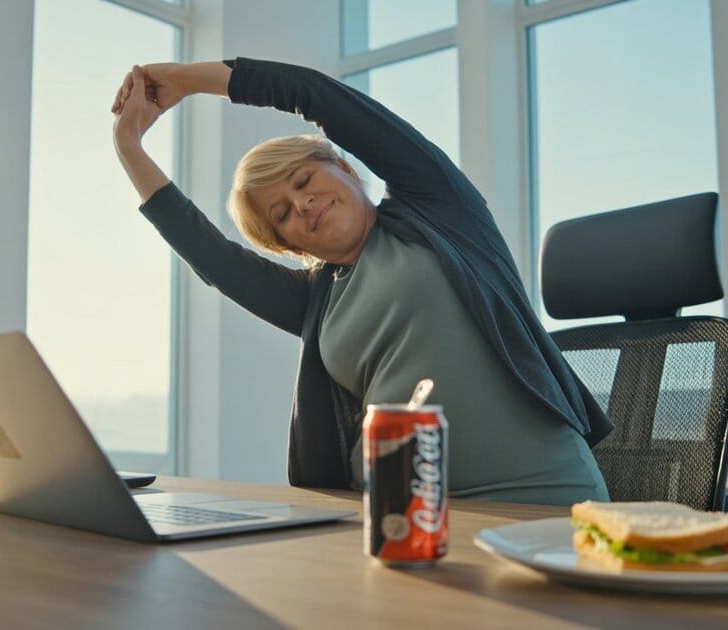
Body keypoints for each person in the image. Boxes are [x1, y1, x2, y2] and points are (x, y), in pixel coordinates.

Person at [111, 58, 611, 504]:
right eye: (282, 212)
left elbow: (321, 98)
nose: (303, 203)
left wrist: (185, 80)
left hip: (542, 500)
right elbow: (209, 255)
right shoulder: (316, 300)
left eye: (304, 180)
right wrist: (128, 146)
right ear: (289, 245)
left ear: (347, 167)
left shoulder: (438, 209)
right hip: (397, 519)